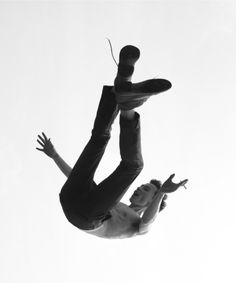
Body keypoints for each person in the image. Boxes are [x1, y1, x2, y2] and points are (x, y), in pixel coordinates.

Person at [36, 45, 188, 239]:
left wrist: (161, 193)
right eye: (143, 186)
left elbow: (148, 221)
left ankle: (127, 108)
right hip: (71, 197)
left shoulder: (138, 225)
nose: (140, 188)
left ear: (151, 202)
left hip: (87, 217)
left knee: (134, 166)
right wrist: (55, 156)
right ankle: (121, 89)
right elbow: (78, 178)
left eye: (147, 190)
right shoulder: (114, 202)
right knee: (99, 139)